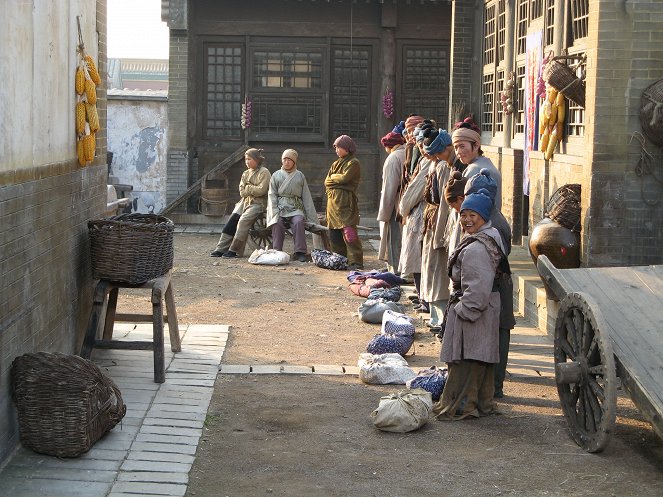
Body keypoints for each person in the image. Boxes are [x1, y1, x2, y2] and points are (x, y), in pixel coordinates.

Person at [433, 188, 506, 420]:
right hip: (484, 311)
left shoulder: (476, 249)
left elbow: (477, 290)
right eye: (464, 215)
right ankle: (480, 403)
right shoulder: (488, 237)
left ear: (484, 216)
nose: (466, 220)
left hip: (475, 313)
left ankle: (462, 405)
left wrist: (463, 310)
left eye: (473, 215)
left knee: (468, 360)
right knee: (478, 360)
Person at [464, 169, 516, 398]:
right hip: (491, 287)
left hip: (495, 288)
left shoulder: (494, 226)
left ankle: (495, 386)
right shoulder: (490, 220)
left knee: (498, 336)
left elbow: (492, 263)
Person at [420, 129, 455, 333]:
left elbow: (444, 202)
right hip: (432, 219)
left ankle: (441, 318)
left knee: (439, 274)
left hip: (439, 223)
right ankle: (436, 316)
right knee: (431, 269)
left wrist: (440, 232)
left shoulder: (443, 167)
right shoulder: (436, 164)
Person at [210, 148, 271, 258]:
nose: (247, 161)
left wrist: (248, 188)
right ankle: (221, 248)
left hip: (259, 203)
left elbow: (261, 190)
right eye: (246, 159)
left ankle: (234, 250)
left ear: (257, 160)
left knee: (243, 221)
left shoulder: (264, 172)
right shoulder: (245, 173)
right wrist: (251, 189)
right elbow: (242, 192)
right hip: (244, 201)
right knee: (232, 219)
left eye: (250, 159)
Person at [266, 149, 318, 262]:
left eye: (289, 160)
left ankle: (300, 252)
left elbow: (306, 196)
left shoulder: (300, 176)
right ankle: (277, 250)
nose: (286, 162)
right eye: (284, 159)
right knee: (277, 222)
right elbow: (272, 195)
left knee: (299, 221)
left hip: (295, 207)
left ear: (294, 162)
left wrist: (312, 217)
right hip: (280, 207)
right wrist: (274, 211)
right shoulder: (276, 175)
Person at [324, 135, 363, 270]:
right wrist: (336, 180)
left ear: (347, 148)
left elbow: (345, 178)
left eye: (339, 147)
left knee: (349, 234)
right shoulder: (336, 163)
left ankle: (356, 262)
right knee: (334, 235)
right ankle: (340, 260)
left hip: (346, 203)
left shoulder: (353, 163)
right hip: (333, 204)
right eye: (335, 147)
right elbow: (326, 182)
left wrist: (334, 178)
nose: (336, 150)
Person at [377, 130, 406, 273]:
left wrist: (384, 213)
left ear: (389, 146)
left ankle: (396, 269)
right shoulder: (407, 152)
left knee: (394, 237)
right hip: (407, 202)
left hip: (396, 203)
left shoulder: (393, 158)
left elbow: (389, 187)